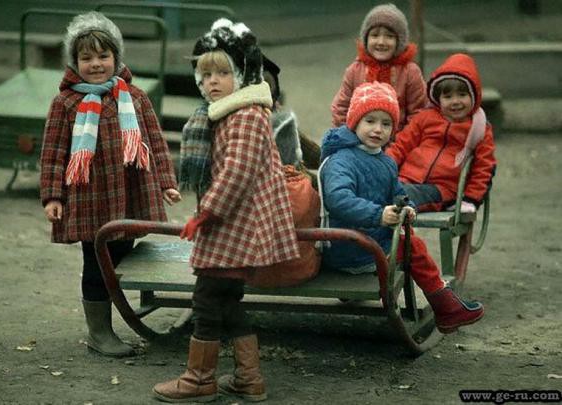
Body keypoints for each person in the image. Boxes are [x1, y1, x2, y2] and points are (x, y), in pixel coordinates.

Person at [152, 19, 300, 403]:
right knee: (226, 300)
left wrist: (205, 214)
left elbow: (237, 172)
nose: (212, 81)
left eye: (222, 72)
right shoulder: (222, 112)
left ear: (242, 74)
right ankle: (249, 378)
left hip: (238, 223)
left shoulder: (248, 113)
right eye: (205, 73)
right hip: (231, 222)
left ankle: (200, 379)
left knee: (206, 298)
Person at [40, 12, 180, 358]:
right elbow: (53, 152)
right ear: (75, 62)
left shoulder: (133, 96)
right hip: (89, 197)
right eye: (86, 58)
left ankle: (120, 314)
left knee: (122, 254)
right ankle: (99, 333)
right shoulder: (66, 103)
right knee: (96, 260)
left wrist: (165, 182)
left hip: (128, 192)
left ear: (116, 57)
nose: (96, 64)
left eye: (103, 56)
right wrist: (53, 195)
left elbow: (155, 142)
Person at [319, 81, 484, 334]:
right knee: (412, 246)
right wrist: (378, 215)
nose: (378, 129)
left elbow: (397, 192)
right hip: (348, 247)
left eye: (386, 124)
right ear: (354, 122)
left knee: (409, 239)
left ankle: (440, 304)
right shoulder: (341, 160)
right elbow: (338, 199)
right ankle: (443, 306)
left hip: (370, 241)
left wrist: (405, 207)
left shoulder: (384, 161)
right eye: (370, 121)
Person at [386, 53, 497, 213]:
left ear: (474, 95)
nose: (455, 101)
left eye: (462, 95)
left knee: (401, 196)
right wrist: (383, 168)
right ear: (438, 99)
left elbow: (484, 167)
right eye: (448, 96)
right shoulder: (425, 118)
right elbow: (401, 145)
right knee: (376, 187)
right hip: (406, 178)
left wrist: (471, 199)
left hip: (441, 189)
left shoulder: (479, 127)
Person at [330, 3, 426, 133]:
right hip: (359, 141)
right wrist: (347, 138)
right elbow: (341, 108)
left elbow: (418, 113)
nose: (381, 42)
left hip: (399, 142)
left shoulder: (410, 72)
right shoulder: (355, 70)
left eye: (389, 36)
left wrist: (401, 143)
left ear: (400, 41)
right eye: (375, 35)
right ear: (365, 39)